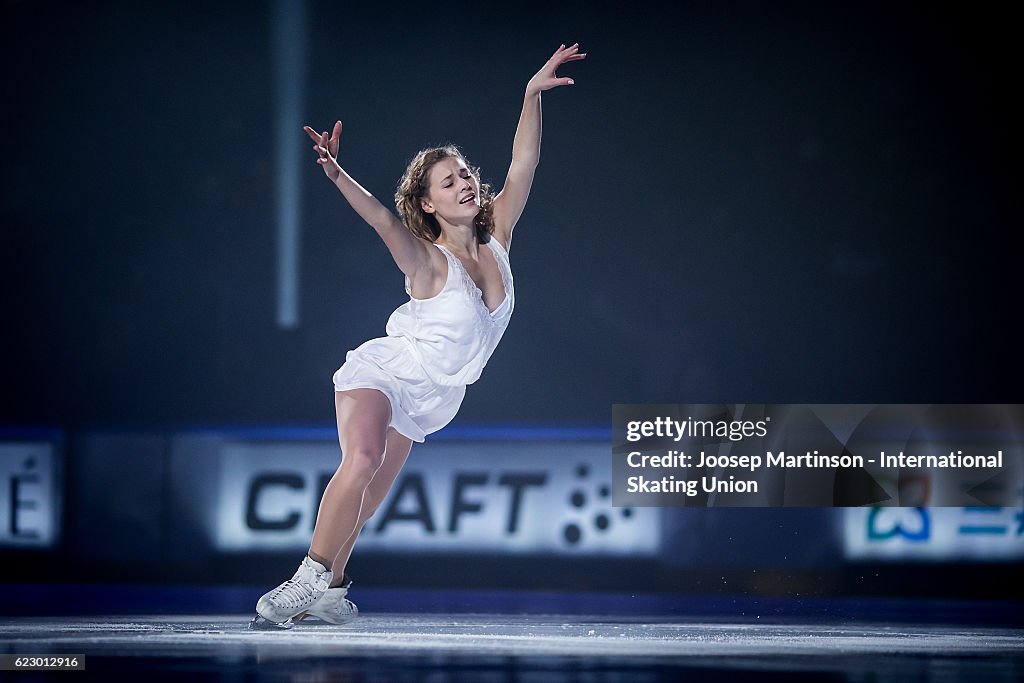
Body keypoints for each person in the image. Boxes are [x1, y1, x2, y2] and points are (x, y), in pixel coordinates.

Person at [251, 43, 586, 628]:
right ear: (427, 204)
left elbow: (523, 167)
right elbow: (383, 217)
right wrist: (336, 174)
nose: (462, 184)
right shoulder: (427, 261)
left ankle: (331, 589)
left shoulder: (498, 237)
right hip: (386, 372)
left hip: (436, 395)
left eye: (464, 175)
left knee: (372, 499)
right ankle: (302, 580)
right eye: (446, 182)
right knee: (361, 459)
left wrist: (531, 96)